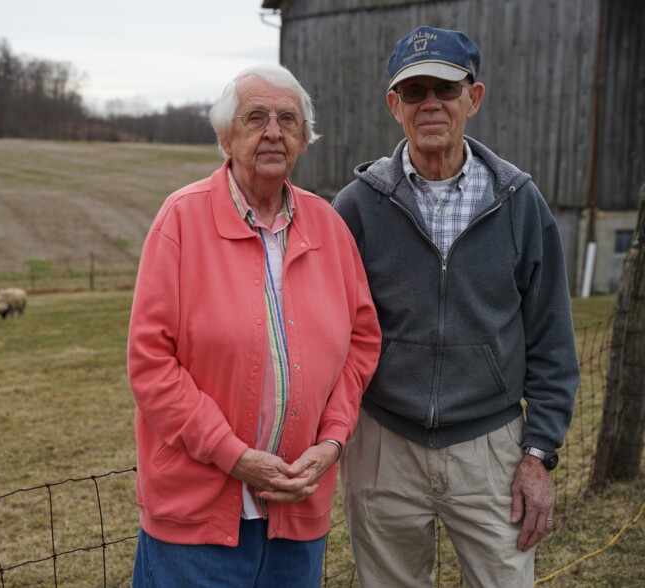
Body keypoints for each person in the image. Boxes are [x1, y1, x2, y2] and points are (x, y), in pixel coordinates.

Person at [332, 26, 580, 587]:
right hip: (384, 444)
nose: (431, 104)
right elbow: (333, 332)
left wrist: (539, 452)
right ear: (394, 105)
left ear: (474, 97)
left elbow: (552, 337)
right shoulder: (357, 207)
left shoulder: (518, 202)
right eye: (414, 91)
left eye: (446, 89)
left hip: (491, 448)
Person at [127, 63, 382, 587]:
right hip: (195, 524)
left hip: (297, 511)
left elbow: (361, 344)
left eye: (288, 120)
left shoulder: (329, 227)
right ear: (226, 137)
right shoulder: (181, 220)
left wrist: (333, 442)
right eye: (255, 118)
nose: (273, 132)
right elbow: (151, 364)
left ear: (304, 140)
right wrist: (234, 456)